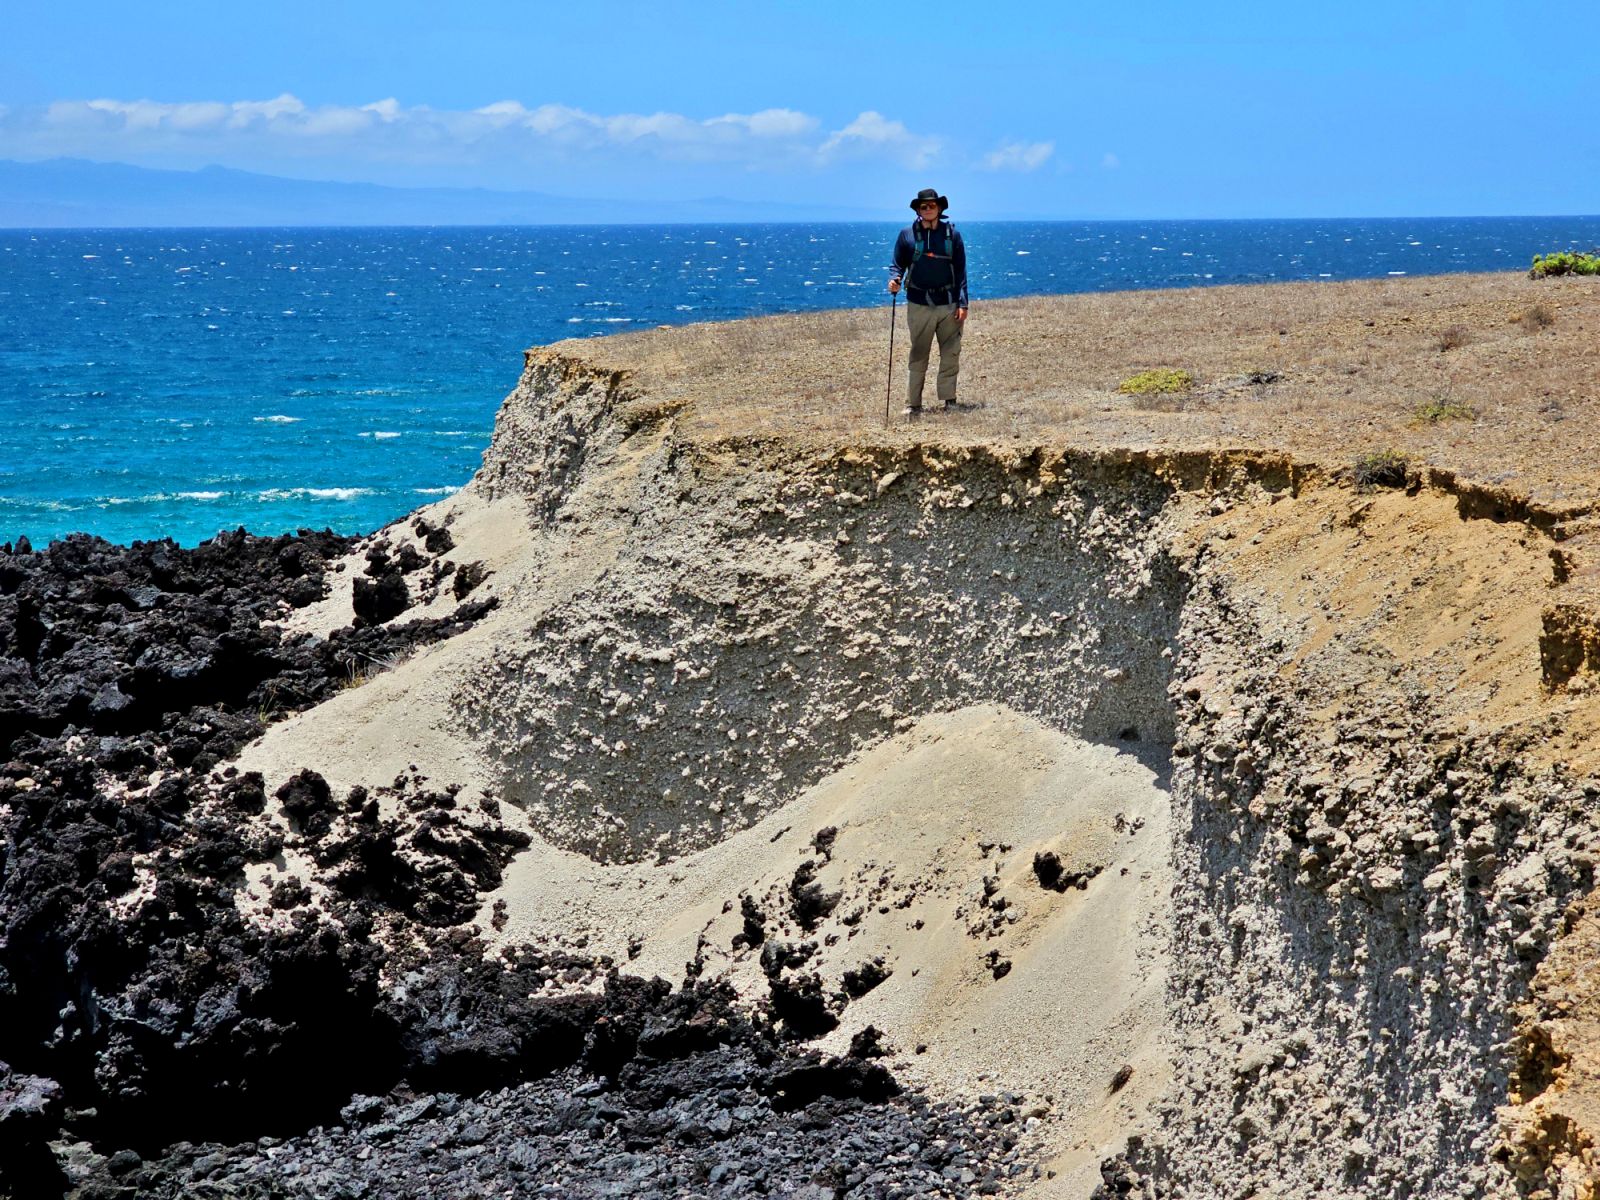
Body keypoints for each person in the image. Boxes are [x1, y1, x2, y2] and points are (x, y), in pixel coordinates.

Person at [888, 188, 969, 417]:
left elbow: (961, 272)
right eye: (924, 206)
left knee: (951, 352)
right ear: (918, 210)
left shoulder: (953, 235)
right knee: (919, 353)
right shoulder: (906, 235)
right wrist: (894, 280)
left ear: (940, 208)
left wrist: (963, 304)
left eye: (932, 205)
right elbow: (897, 264)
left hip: (949, 304)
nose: (928, 209)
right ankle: (913, 404)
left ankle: (949, 400)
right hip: (918, 303)